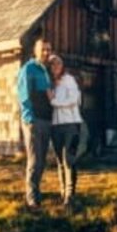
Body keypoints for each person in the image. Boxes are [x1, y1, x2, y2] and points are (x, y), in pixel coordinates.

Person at [16, 37, 53, 208]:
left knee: (42, 160)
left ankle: (36, 192)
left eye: (48, 49)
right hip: (33, 120)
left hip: (46, 120)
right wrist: (29, 118)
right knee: (34, 160)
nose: (46, 52)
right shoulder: (28, 69)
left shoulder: (45, 71)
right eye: (43, 49)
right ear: (35, 51)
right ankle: (31, 199)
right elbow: (24, 95)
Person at [47, 54, 82, 207]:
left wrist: (54, 101)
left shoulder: (69, 80)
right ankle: (63, 193)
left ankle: (70, 195)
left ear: (62, 66)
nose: (56, 66)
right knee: (60, 161)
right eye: (52, 64)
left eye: (58, 63)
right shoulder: (50, 84)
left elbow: (74, 99)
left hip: (72, 124)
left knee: (69, 159)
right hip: (55, 126)